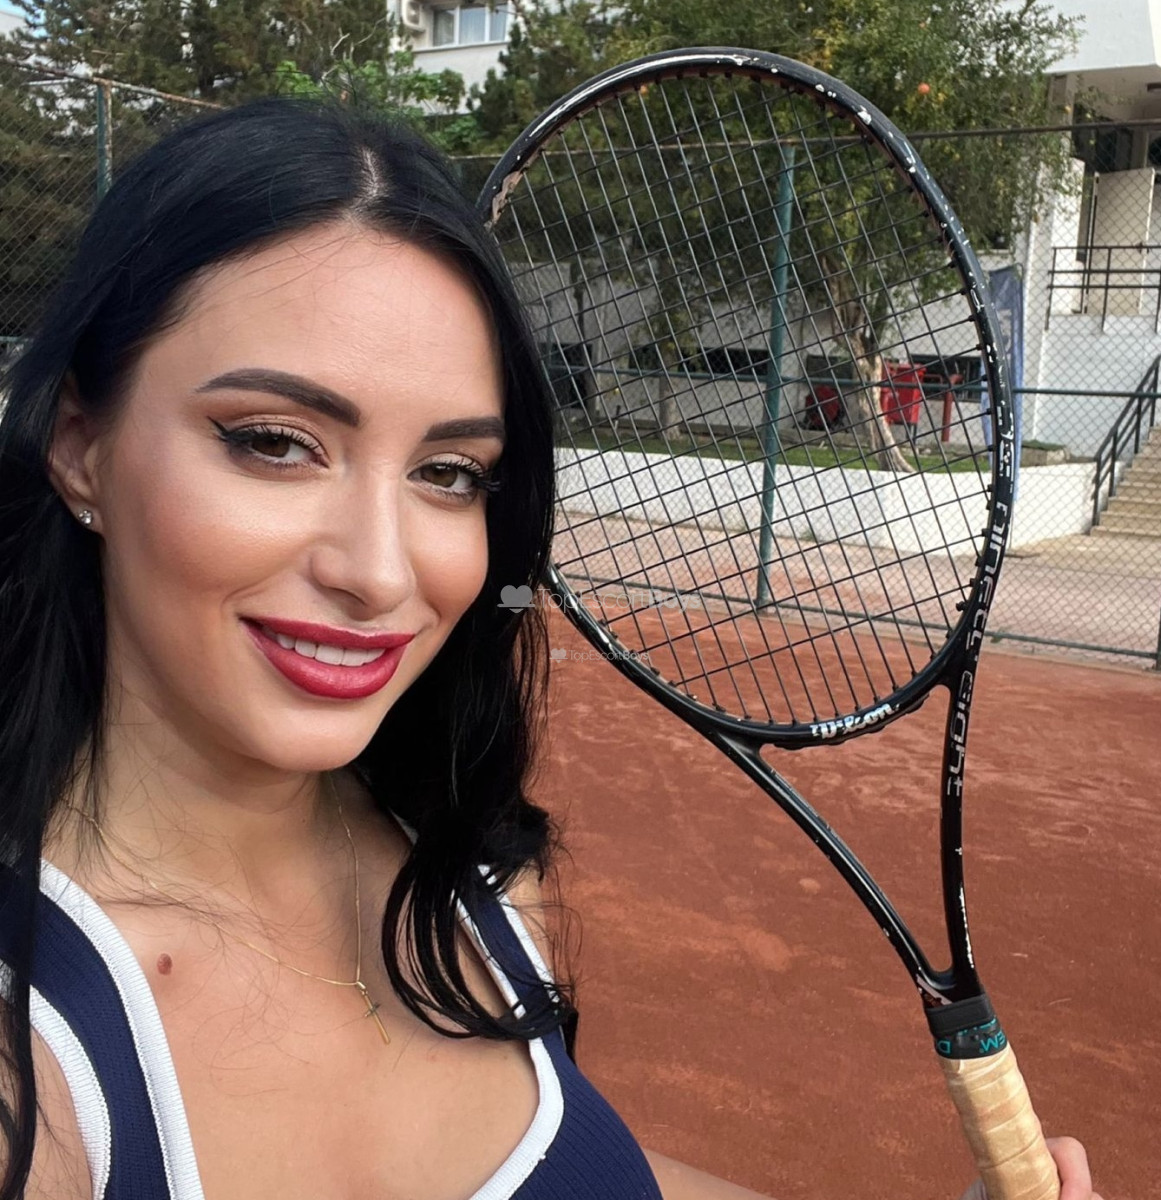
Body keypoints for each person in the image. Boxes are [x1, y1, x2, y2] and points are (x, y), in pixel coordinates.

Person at [0, 98, 1101, 1200]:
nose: (379, 572)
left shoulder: (470, 871)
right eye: (275, 443)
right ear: (80, 447)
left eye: (449, 474)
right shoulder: (30, 1069)